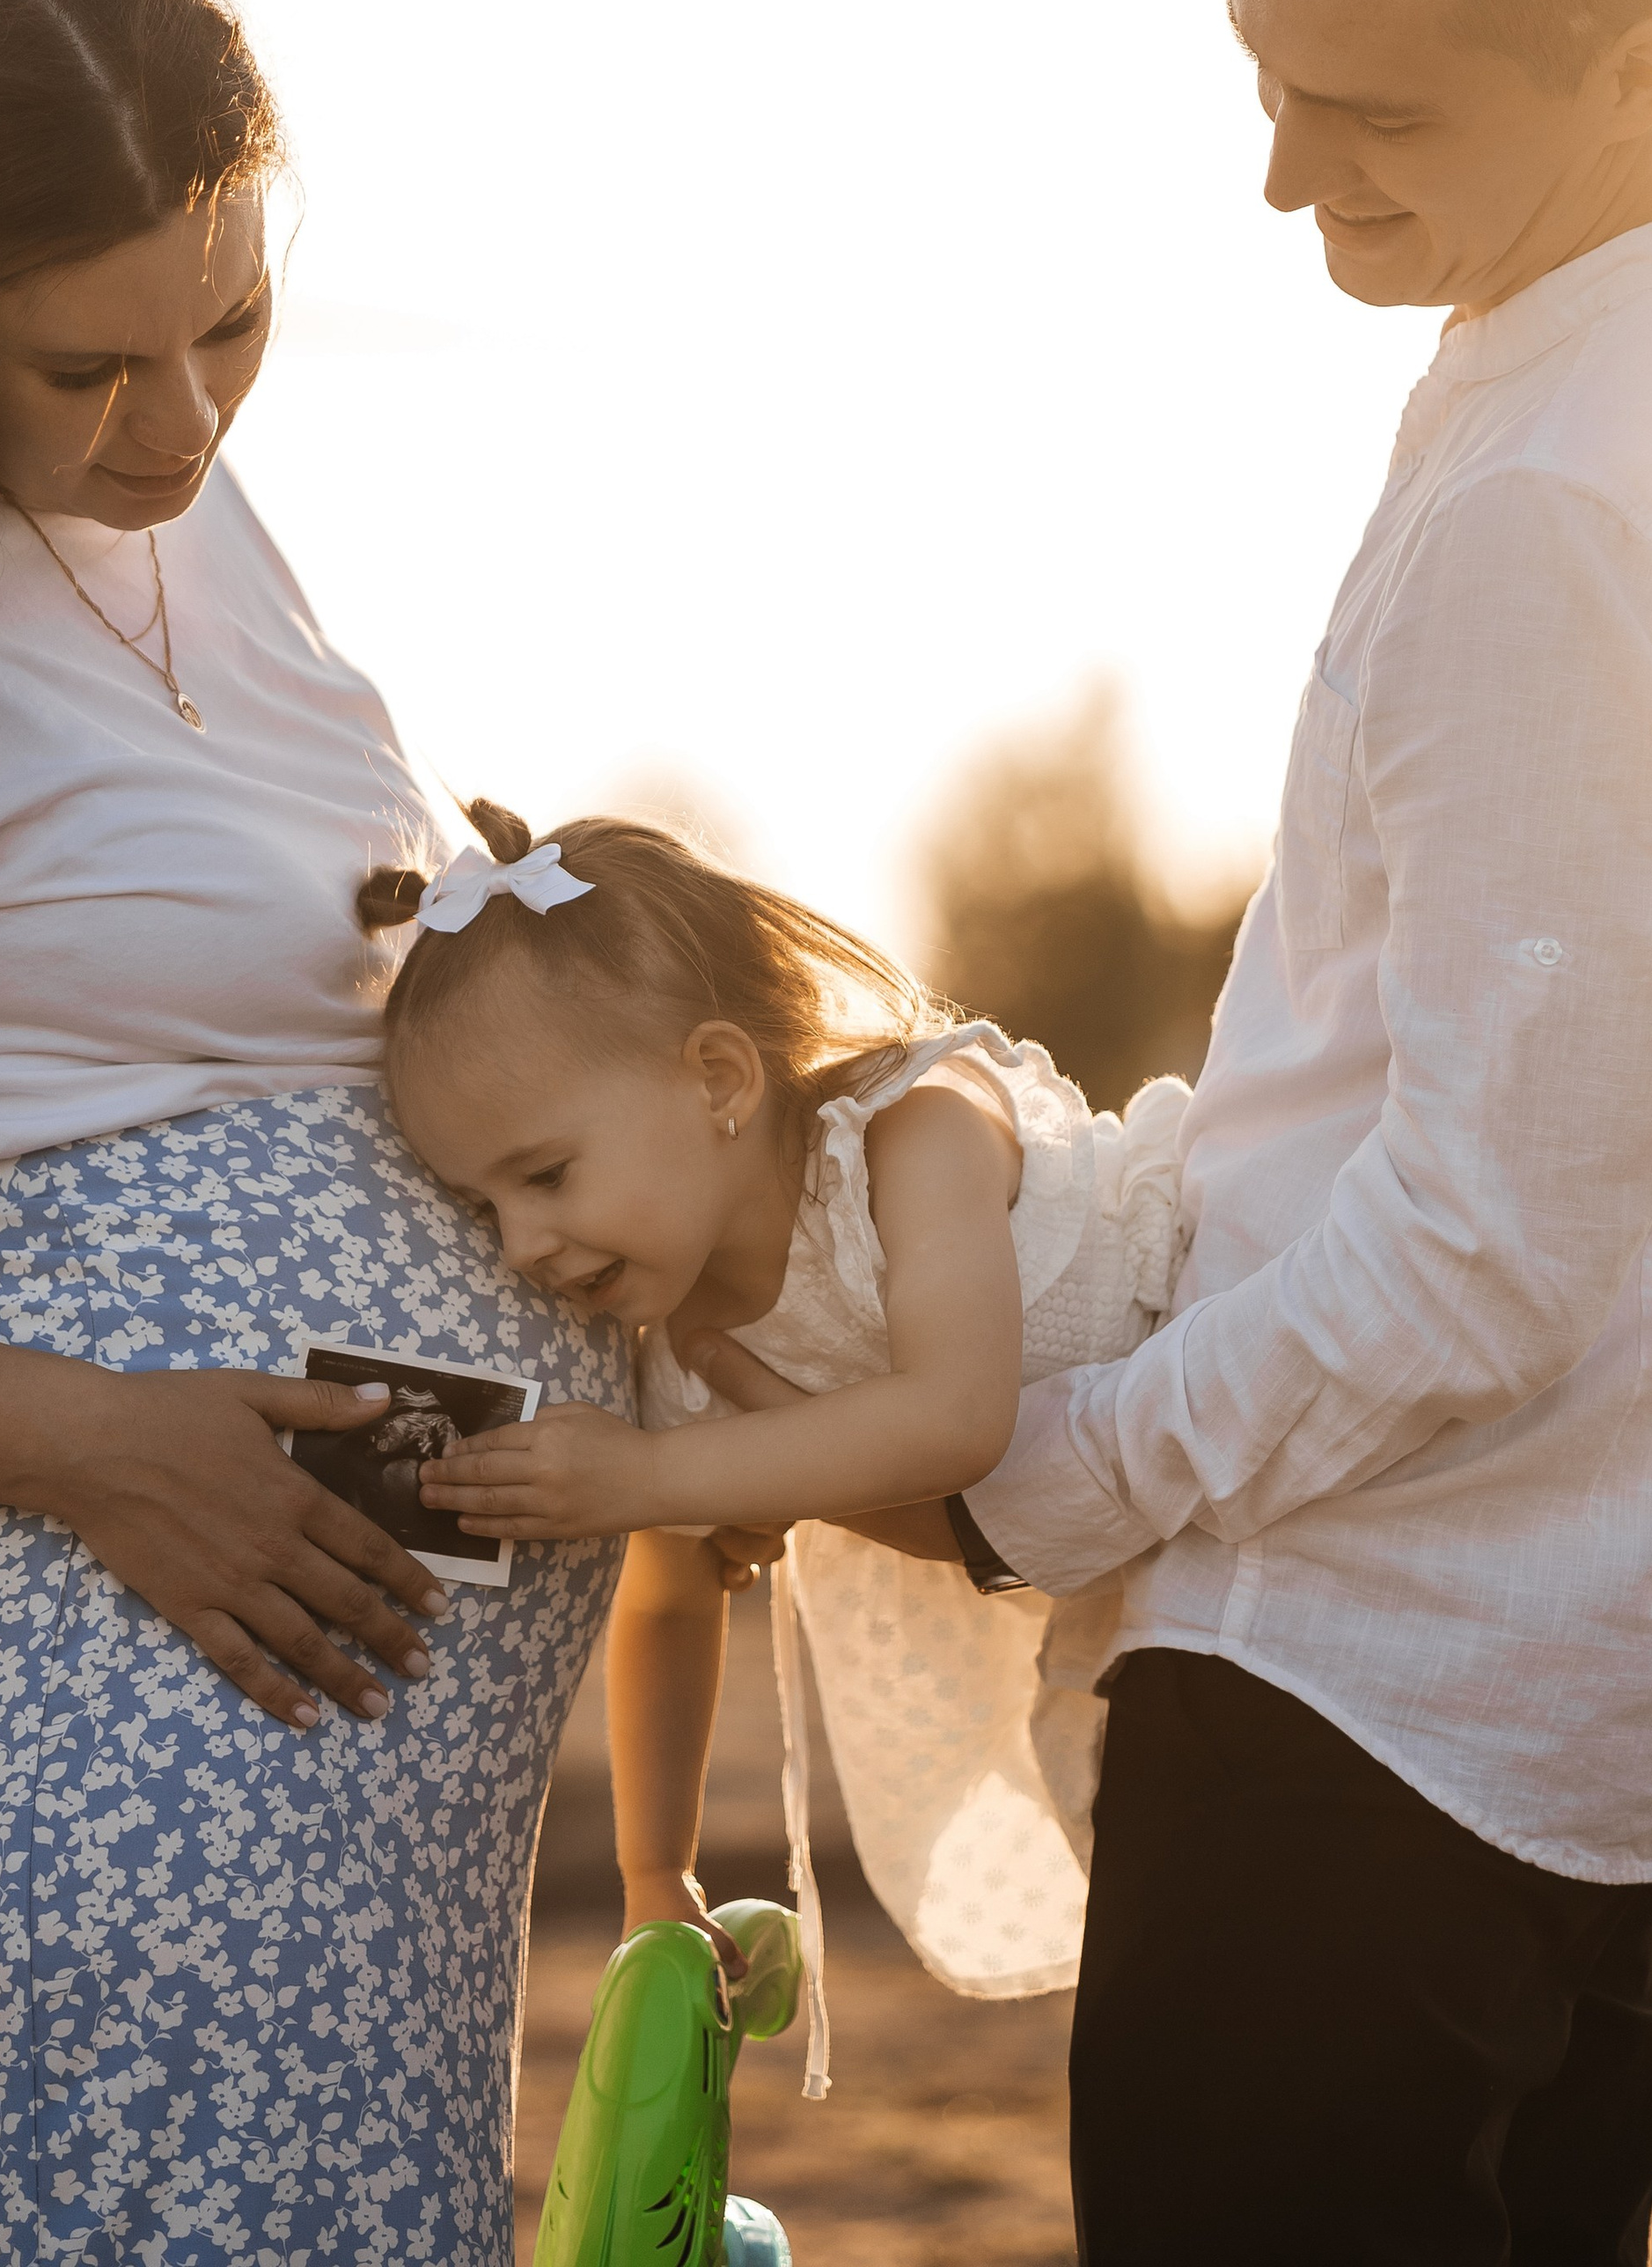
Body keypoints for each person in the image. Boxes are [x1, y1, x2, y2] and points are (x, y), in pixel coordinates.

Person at [947, 0, 1652, 2260]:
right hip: (1571, 1711)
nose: (1277, 176)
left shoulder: (1572, 501)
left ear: (1635, 64)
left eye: (1370, 116)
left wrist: (1054, 1481)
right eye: (1265, 72)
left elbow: (1486, 1244)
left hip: (1375, 1723)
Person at [0, 0, 631, 2267]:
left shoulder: (195, 522)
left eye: (234, 325)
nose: (178, 423)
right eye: (86, 365)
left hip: (337, 1845)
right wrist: (94, 1441)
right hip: (61, 1778)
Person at [348, 801, 1193, 2057]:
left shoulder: (916, 1130)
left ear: (720, 1079)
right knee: (1179, 1913)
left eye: (545, 1175)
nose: (522, 1245)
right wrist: (654, 1875)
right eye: (485, 1208)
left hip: (1261, 1380)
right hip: (1133, 1574)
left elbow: (956, 1418)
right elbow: (672, 1597)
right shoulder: (685, 1350)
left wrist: (645, 1474)